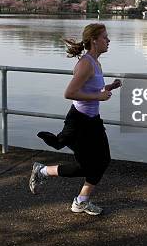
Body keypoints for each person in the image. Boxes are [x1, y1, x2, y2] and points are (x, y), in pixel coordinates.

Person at [29, 23, 122, 215]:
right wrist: (99, 96)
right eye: (105, 37)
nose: (109, 40)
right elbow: (70, 93)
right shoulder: (86, 63)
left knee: (103, 161)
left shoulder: (96, 62)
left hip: (92, 120)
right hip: (79, 122)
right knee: (89, 166)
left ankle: (80, 201)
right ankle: (43, 172)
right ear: (94, 41)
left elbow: (90, 89)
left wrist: (108, 88)